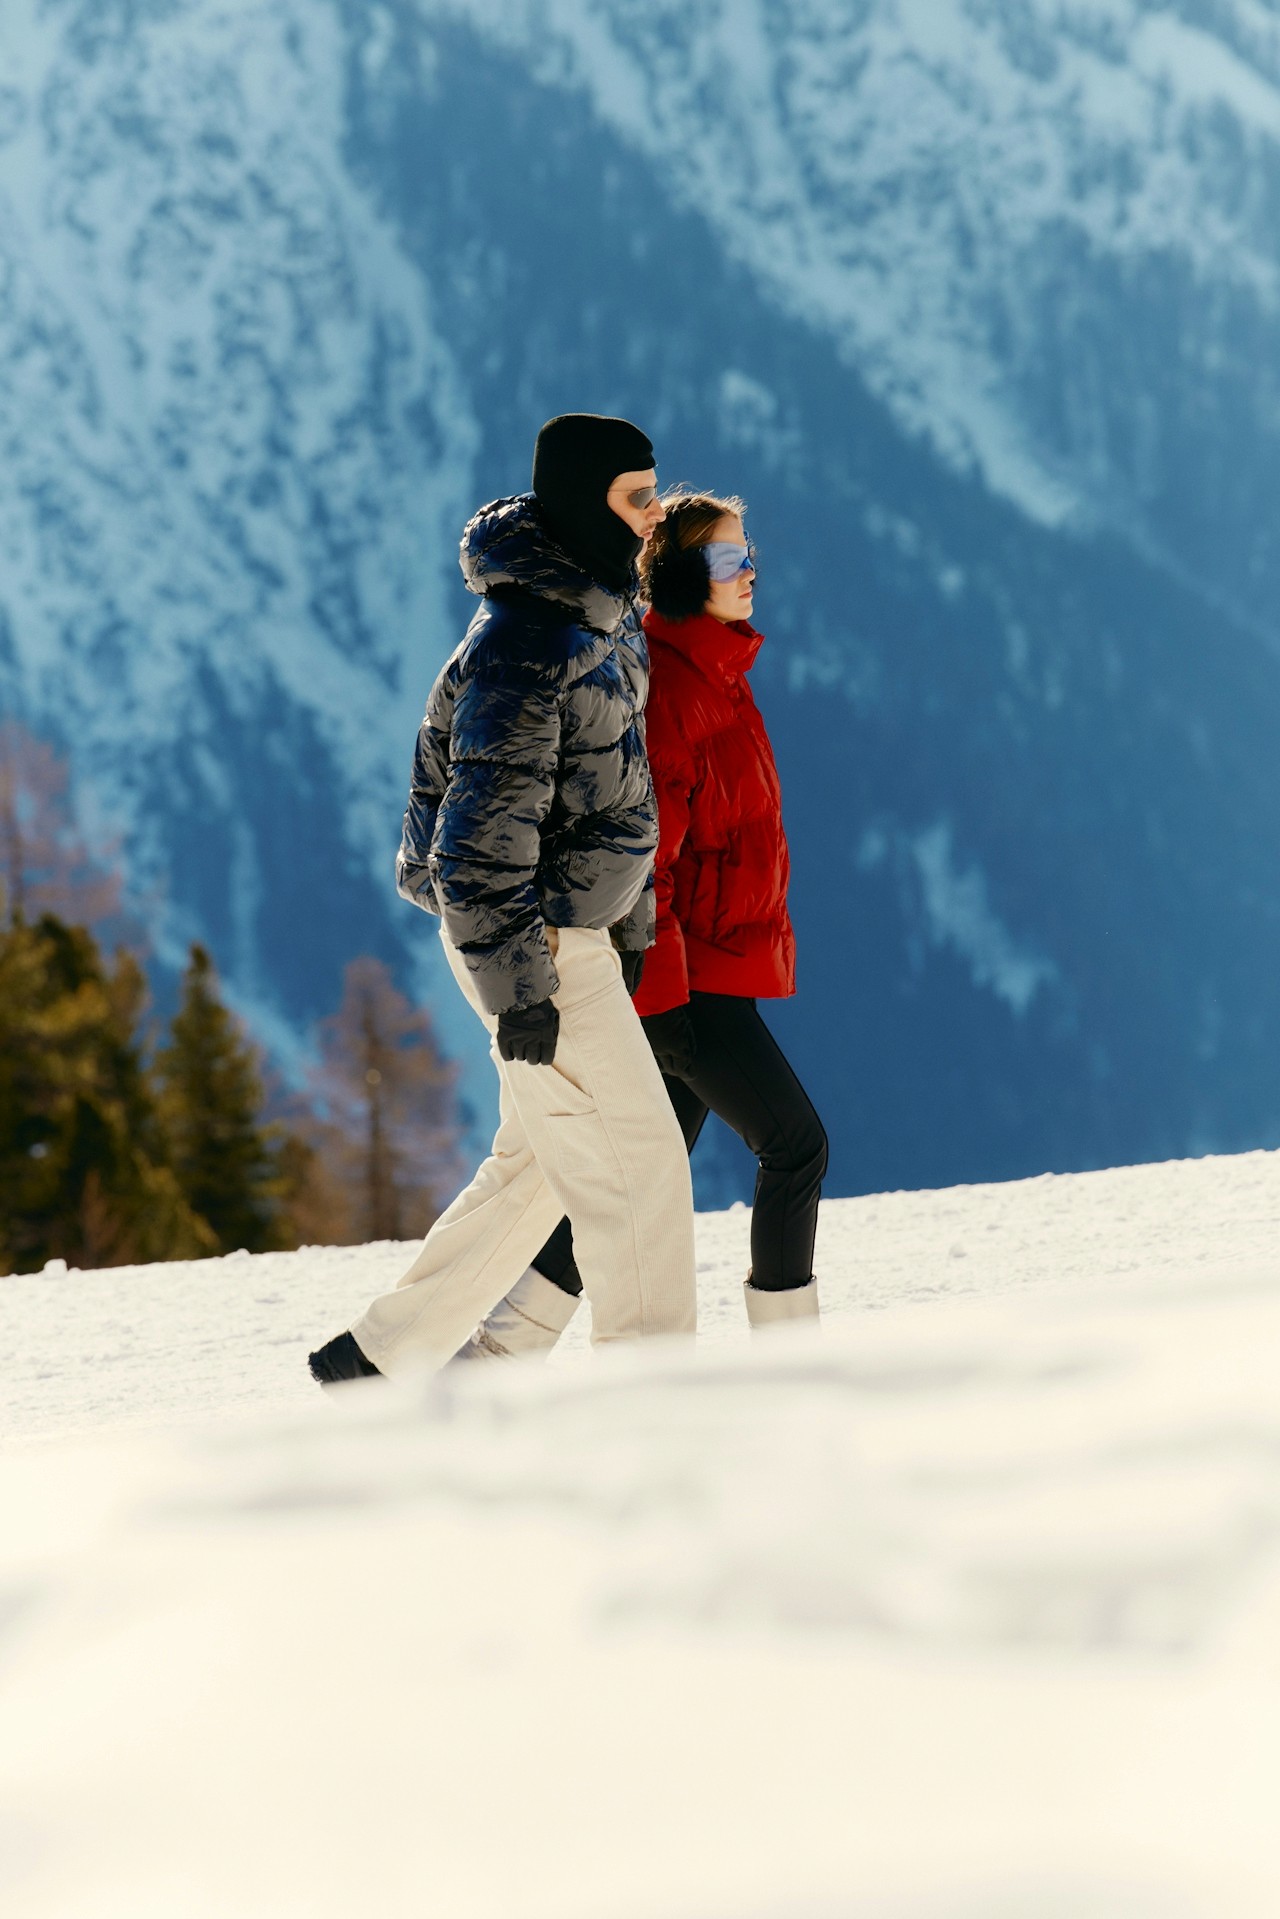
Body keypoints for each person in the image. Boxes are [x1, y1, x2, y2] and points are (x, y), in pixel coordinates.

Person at [308, 417, 698, 1384]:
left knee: (537, 1168)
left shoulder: (595, 615)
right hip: (533, 939)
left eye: (655, 493)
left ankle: (380, 1357)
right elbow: (475, 848)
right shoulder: (529, 643)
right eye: (635, 497)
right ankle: (659, 1403)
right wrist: (524, 986)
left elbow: (613, 789)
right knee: (641, 1170)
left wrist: (632, 917)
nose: (654, 518)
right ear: (581, 501)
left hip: (565, 932)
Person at [456, 488, 827, 1362]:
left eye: (749, 555)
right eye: (733, 559)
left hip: (711, 967)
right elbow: (644, 859)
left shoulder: (717, 674)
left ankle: (502, 1350)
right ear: (684, 572)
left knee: (635, 1184)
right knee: (796, 1145)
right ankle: (794, 1359)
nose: (751, 572)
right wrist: (654, 1000)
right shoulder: (678, 690)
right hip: (686, 978)